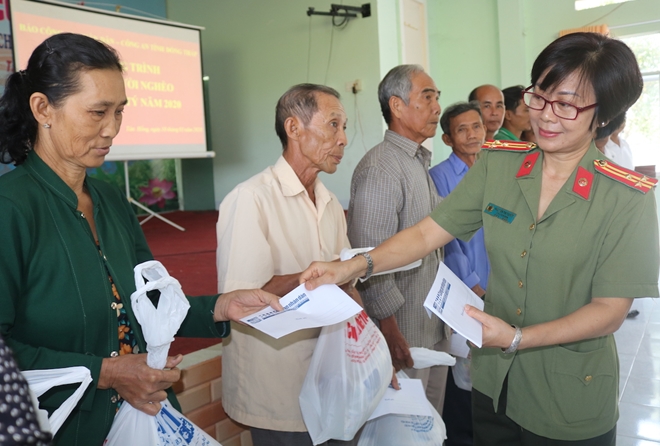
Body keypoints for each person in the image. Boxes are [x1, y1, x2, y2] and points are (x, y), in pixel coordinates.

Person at [300, 32, 659, 445]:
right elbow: (428, 232)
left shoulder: (627, 196)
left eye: (565, 104)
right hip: (495, 386)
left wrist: (517, 338)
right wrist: (351, 266)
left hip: (568, 396)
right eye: (537, 96)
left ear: (604, 113)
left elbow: (610, 311)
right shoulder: (500, 165)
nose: (544, 114)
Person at [0, 33, 282, 446]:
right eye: (97, 112)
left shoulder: (111, 199)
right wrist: (108, 373)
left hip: (144, 419)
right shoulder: (11, 208)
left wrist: (222, 307)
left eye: (119, 111)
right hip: (63, 429)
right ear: (43, 108)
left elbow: (148, 301)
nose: (112, 129)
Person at [216, 83, 361, 446]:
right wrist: (316, 275)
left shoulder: (328, 202)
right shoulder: (251, 199)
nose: (343, 140)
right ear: (294, 129)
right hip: (277, 385)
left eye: (344, 128)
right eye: (333, 125)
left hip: (329, 377)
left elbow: (346, 282)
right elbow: (241, 300)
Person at [348, 64, 448, 412]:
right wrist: (388, 329)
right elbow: (369, 259)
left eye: (437, 98)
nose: (437, 107)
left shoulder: (417, 162)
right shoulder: (381, 168)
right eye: (427, 97)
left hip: (430, 324)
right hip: (402, 334)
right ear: (397, 106)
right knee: (402, 426)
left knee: (429, 426)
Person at [428, 101, 488, 446]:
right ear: (448, 138)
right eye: (462, 129)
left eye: (476, 127)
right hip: (466, 288)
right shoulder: (439, 177)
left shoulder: (492, 170)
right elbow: (447, 241)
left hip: (494, 283)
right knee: (463, 369)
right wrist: (474, 286)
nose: (472, 135)